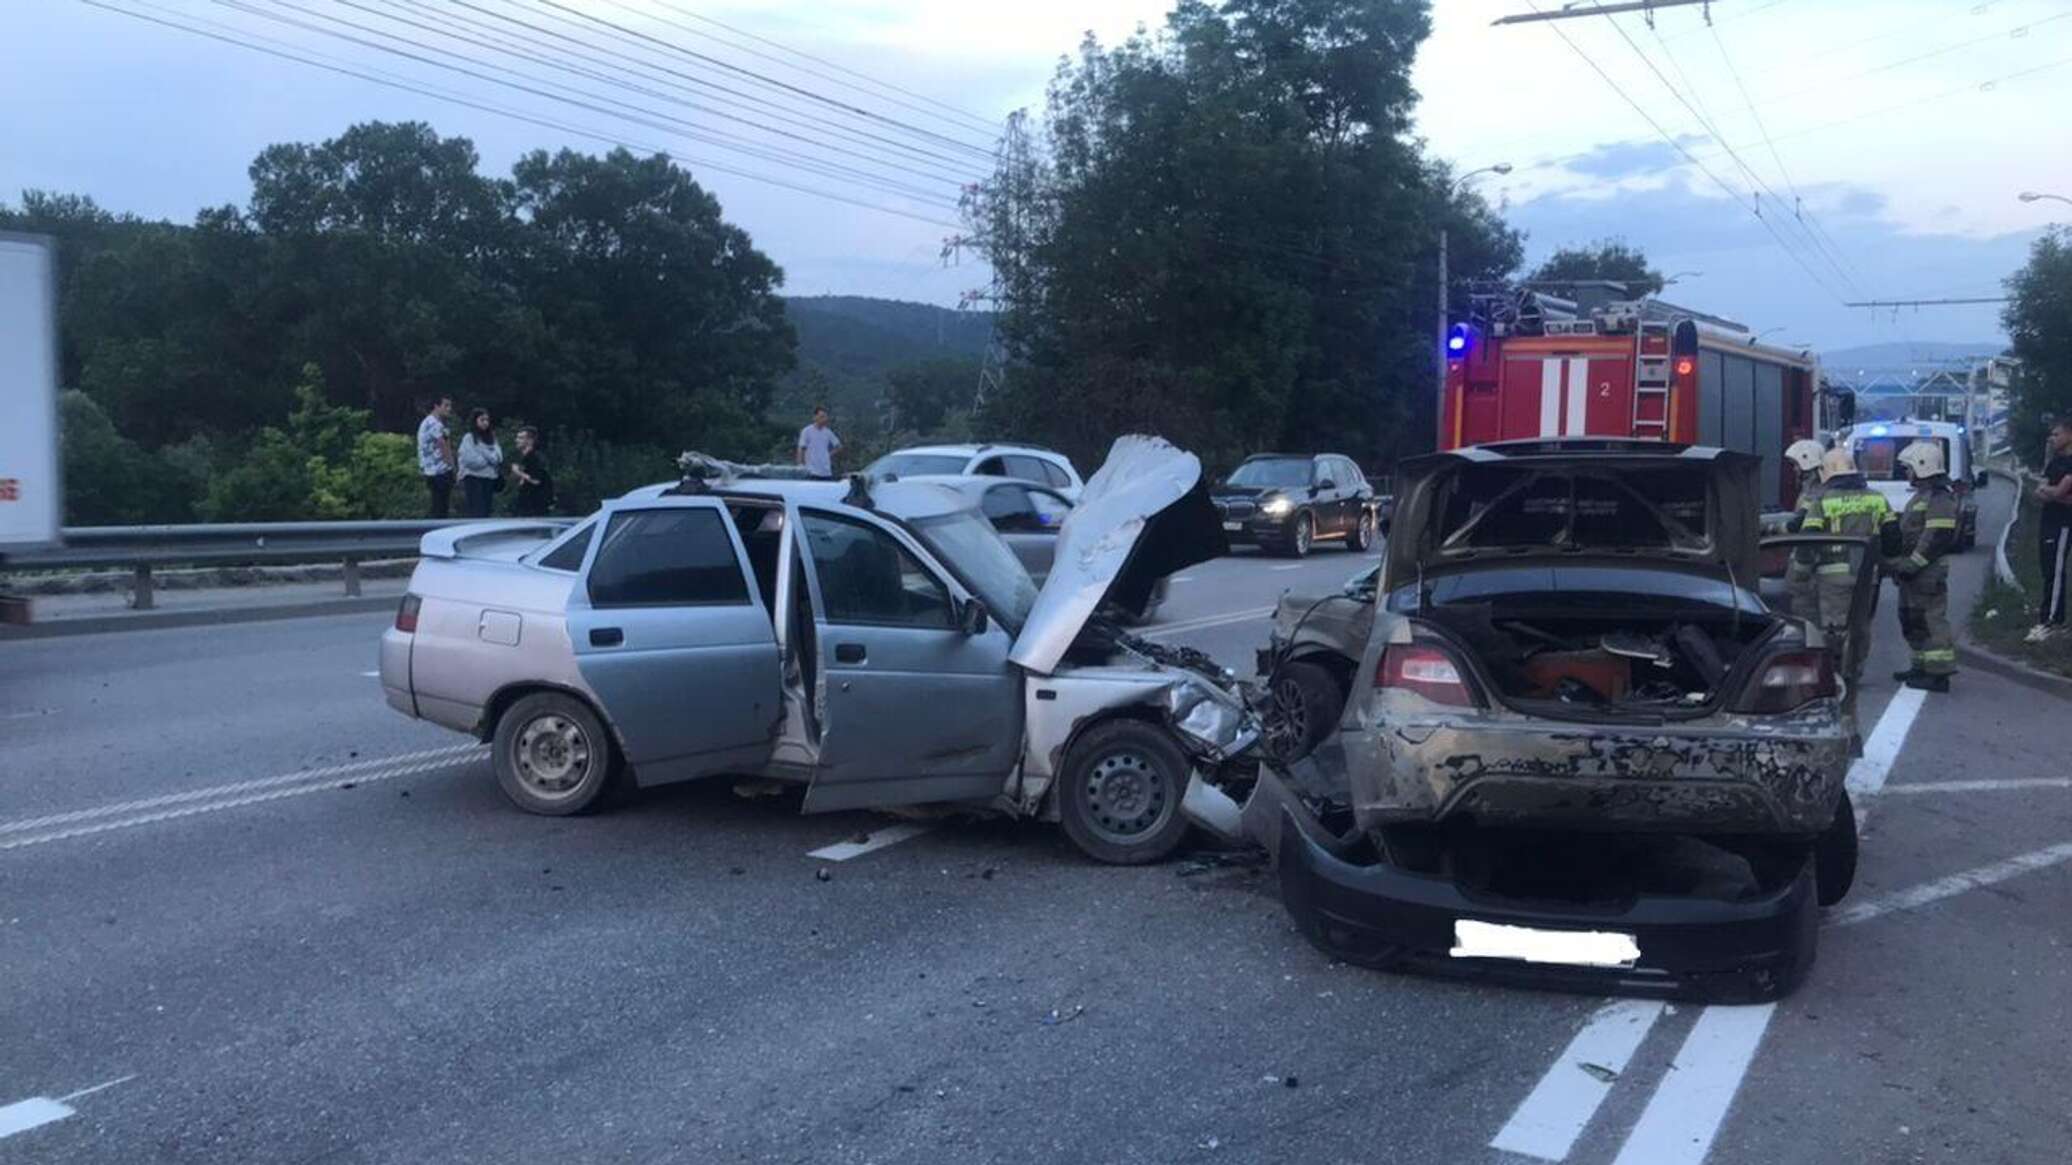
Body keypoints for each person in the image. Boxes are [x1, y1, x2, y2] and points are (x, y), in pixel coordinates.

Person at [1799, 446, 1899, 690]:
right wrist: (1888, 564)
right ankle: (1854, 671)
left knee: (1833, 626)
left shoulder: (1823, 501)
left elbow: (1808, 539)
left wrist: (1801, 572)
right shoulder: (1877, 498)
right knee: (1861, 624)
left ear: (1828, 472)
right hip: (1867, 576)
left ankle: (1834, 673)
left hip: (1832, 575)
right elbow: (1894, 538)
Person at [1889, 440, 1961, 692]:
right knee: (1913, 619)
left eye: (1909, 468)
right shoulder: (1922, 495)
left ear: (1923, 466)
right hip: (1914, 569)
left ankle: (1939, 674)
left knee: (1931, 620)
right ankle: (1920, 666)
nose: (1906, 473)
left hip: (1926, 571)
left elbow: (1937, 537)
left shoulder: (1940, 497)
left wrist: (1913, 564)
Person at [2029, 418, 2072, 641]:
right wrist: (2053, 492)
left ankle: (2051, 620)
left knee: (2055, 571)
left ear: (2069, 435)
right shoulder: (2055, 462)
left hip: (2063, 524)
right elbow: (2040, 492)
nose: (2052, 438)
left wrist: (2052, 492)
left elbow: (2055, 494)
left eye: (2056, 434)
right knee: (2047, 569)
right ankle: (2050, 615)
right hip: (2048, 521)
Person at [1782, 438, 1829, 621]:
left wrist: (1775, 528)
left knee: (1803, 612)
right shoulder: (1813, 489)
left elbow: (1798, 522)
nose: (1794, 470)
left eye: (1796, 465)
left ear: (1806, 462)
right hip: (1810, 562)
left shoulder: (1815, 491)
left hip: (1808, 564)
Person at [457, 407, 504, 519]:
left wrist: (485, 454)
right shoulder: (469, 438)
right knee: (477, 509)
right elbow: (469, 460)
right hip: (473, 477)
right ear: (475, 421)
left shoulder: (492, 438)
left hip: (489, 478)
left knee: (487, 509)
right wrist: (487, 459)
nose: (485, 423)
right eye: (482, 420)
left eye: (487, 420)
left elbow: (498, 457)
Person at [417, 396, 456, 518]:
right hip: (439, 471)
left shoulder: (435, 423)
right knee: (440, 507)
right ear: (436, 406)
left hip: (433, 470)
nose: (449, 409)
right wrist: (452, 465)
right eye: (446, 406)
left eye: (450, 406)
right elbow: (443, 445)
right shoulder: (433, 423)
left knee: (439, 505)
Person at [509, 426, 554, 517]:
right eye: (517, 437)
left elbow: (536, 480)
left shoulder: (534, 458)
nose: (516, 440)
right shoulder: (525, 458)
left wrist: (518, 472)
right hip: (527, 504)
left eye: (521, 438)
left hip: (535, 506)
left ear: (530, 441)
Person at [795, 405, 841, 479]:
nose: (824, 419)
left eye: (825, 417)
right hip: (811, 471)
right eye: (822, 416)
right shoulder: (807, 431)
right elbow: (801, 448)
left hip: (826, 471)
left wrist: (828, 455)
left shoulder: (828, 432)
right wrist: (800, 465)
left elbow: (838, 446)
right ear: (815, 417)